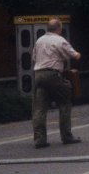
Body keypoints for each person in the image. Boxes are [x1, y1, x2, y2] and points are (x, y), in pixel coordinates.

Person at [31, 17, 82, 149]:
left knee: (39, 108)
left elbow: (34, 58)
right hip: (53, 74)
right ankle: (66, 136)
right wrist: (77, 54)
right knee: (65, 100)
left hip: (38, 75)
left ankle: (39, 140)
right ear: (59, 28)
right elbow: (74, 55)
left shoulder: (39, 40)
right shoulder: (60, 40)